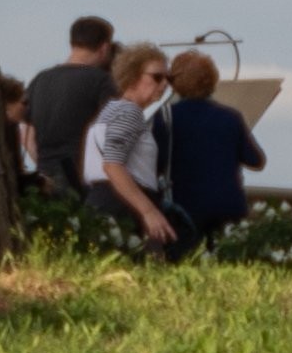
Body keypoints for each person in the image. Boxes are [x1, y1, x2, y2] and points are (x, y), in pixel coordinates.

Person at [156, 52, 263, 255]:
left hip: (185, 208)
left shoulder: (166, 118)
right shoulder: (231, 117)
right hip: (228, 205)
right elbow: (256, 160)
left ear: (175, 82)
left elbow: (154, 165)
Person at [82, 44, 179, 254]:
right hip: (123, 205)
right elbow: (112, 164)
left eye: (168, 79)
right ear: (133, 76)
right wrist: (148, 211)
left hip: (105, 200)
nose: (164, 85)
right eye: (156, 77)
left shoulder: (110, 111)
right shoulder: (129, 113)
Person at [22, 17, 119, 201]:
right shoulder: (101, 81)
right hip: (81, 180)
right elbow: (113, 130)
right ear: (104, 47)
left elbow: (26, 133)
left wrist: (45, 166)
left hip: (44, 178)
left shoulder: (40, 79)